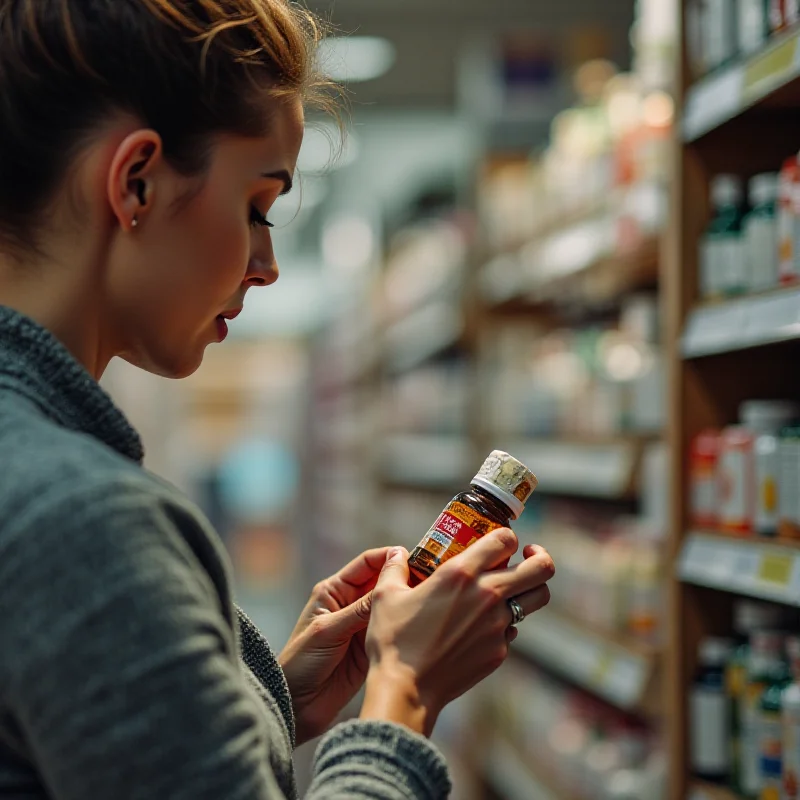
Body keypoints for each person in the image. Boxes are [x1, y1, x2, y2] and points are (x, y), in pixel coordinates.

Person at [0, 2, 555, 799]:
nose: (266, 264)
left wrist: (272, 697)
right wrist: (405, 689)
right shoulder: (80, 522)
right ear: (136, 181)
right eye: (257, 206)